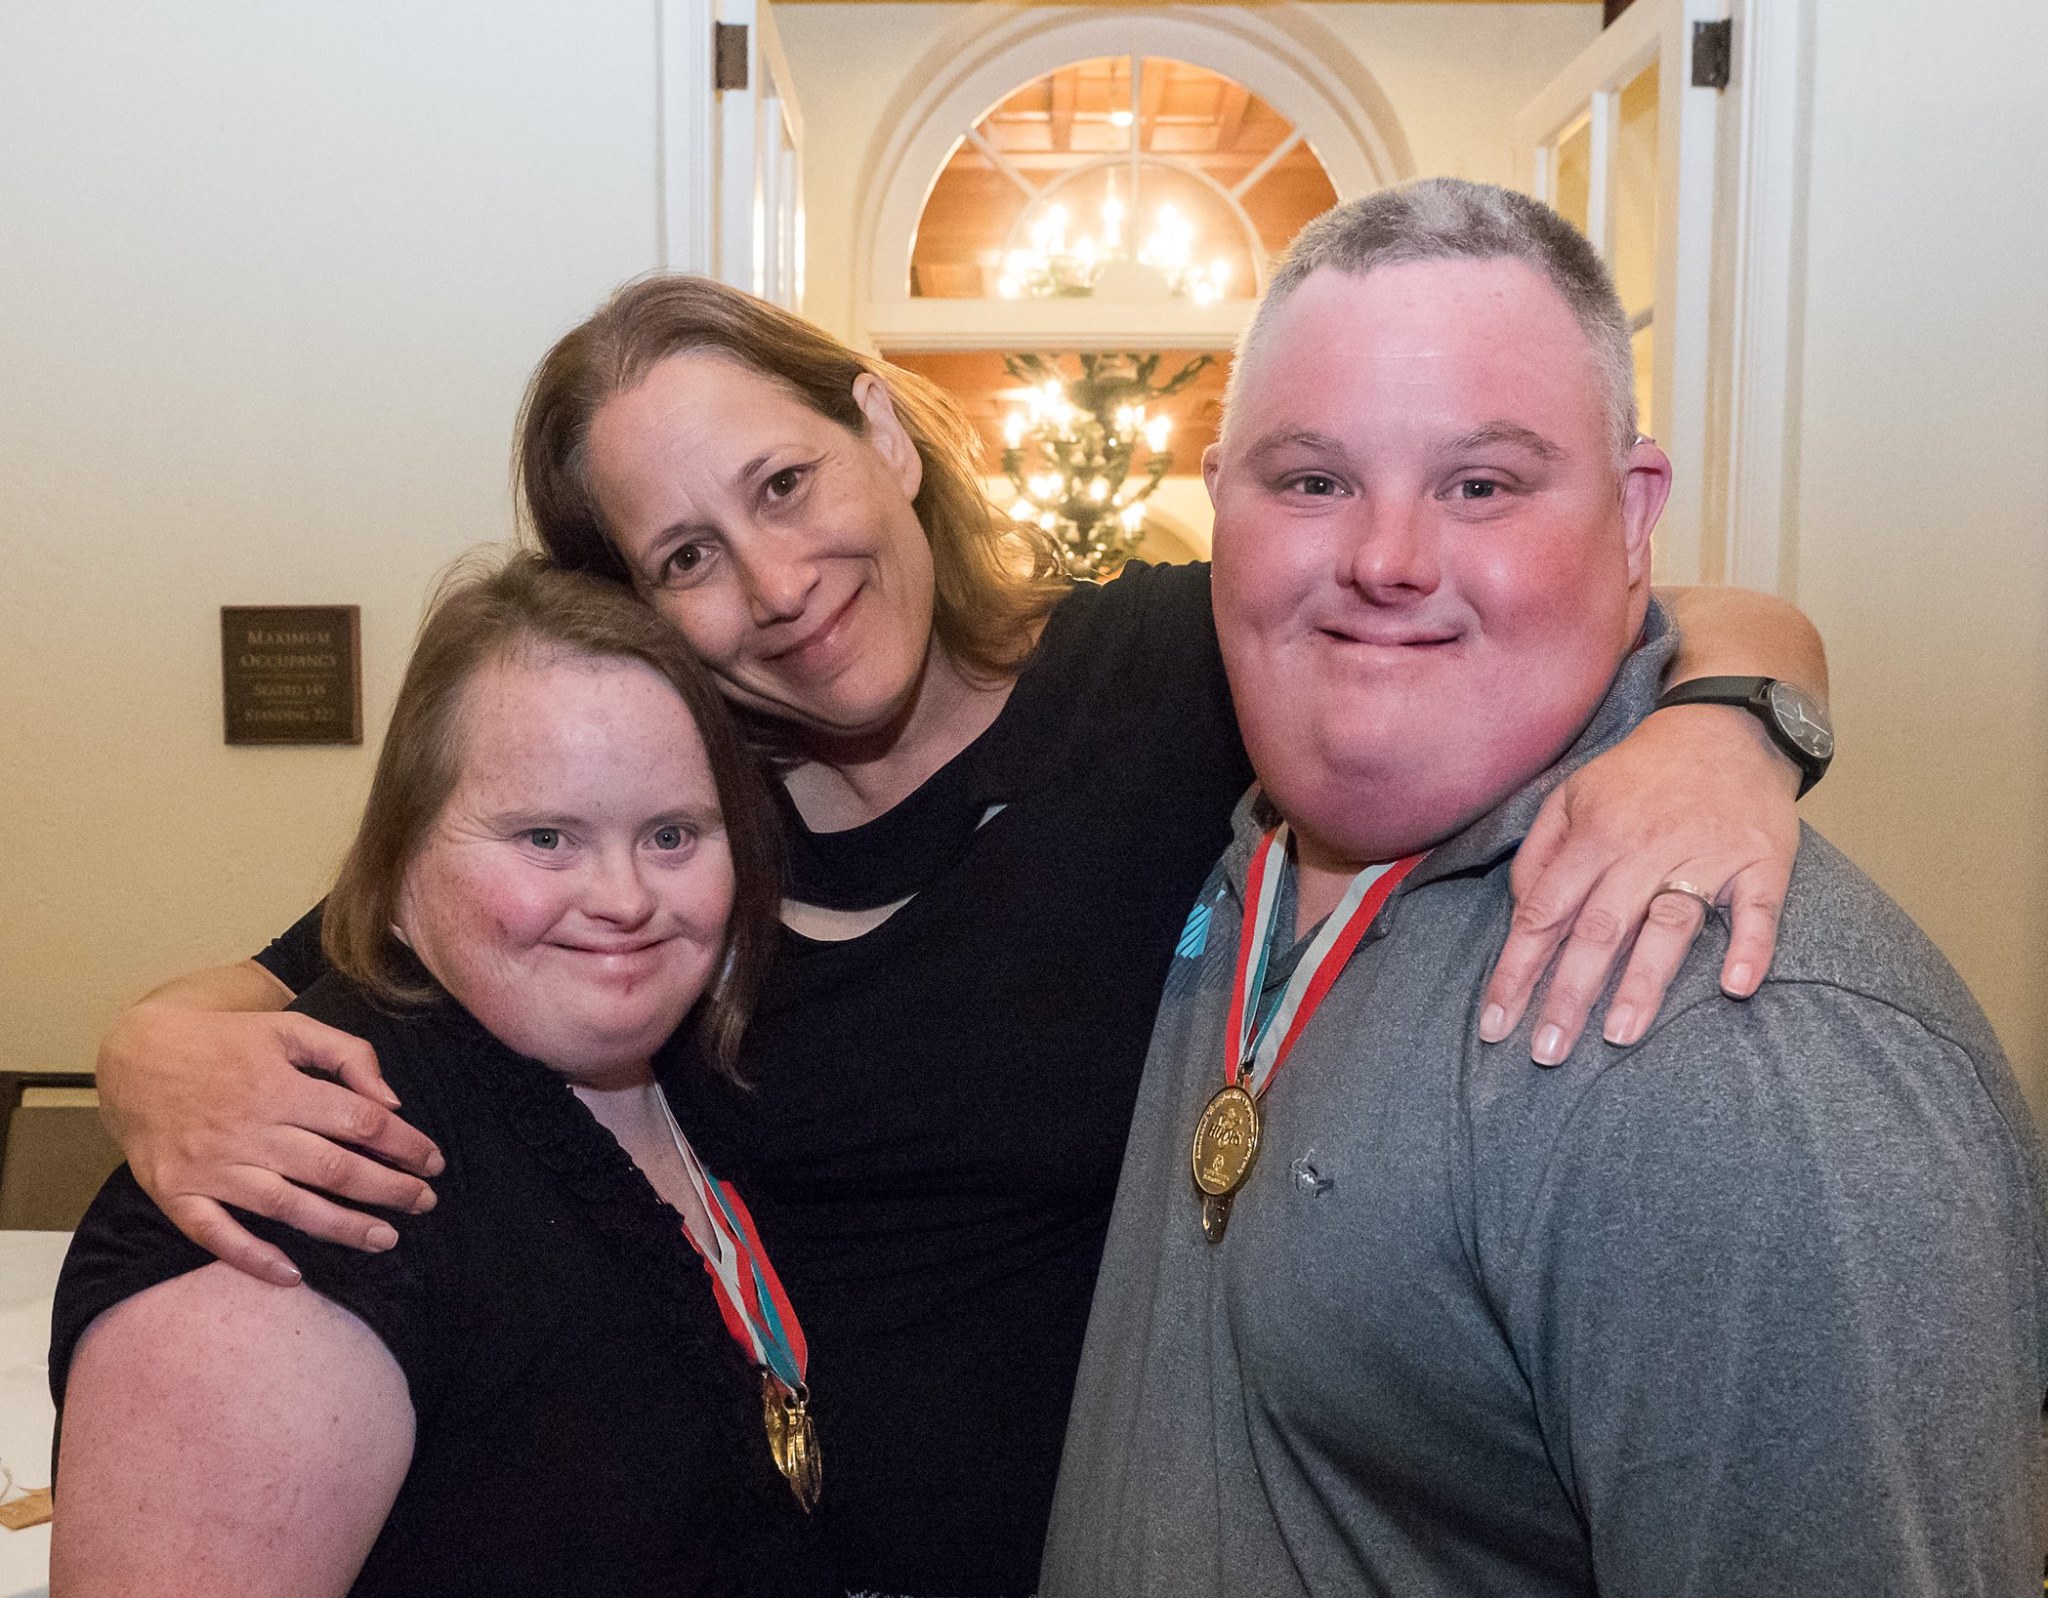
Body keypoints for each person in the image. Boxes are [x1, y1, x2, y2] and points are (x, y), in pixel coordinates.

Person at [93, 274, 1831, 1595]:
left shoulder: (1163, 676)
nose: (773, 581)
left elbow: (1649, 605)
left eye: (783, 482)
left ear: (880, 424)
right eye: (687, 552)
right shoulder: (671, 837)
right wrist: (148, 1040)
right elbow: (366, 938)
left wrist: (1731, 721)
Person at [1039, 179, 2048, 1597]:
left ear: (1636, 515)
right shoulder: (1246, 835)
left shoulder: (1739, 1048)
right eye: (1313, 479)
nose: (1384, 560)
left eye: (1482, 484)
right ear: (1221, 503)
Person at [51, 558, 832, 1597]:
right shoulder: (306, 1188)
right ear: (402, 855)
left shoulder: (688, 1073)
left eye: (673, 833)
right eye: (545, 836)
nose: (625, 896)